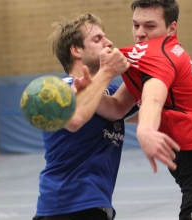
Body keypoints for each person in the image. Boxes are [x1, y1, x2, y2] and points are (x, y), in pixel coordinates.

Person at [78, 0, 192, 219]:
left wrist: (146, 128)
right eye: (136, 25)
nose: (140, 33)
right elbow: (119, 108)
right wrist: (88, 94)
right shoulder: (161, 56)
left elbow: (153, 97)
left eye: (150, 26)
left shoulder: (158, 54)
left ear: (171, 28)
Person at [32, 13, 137, 220]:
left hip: (96, 206)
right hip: (66, 206)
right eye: (97, 39)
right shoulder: (58, 89)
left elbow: (152, 114)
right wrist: (108, 71)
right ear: (76, 50)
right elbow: (72, 120)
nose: (108, 43)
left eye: (105, 37)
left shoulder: (111, 93)